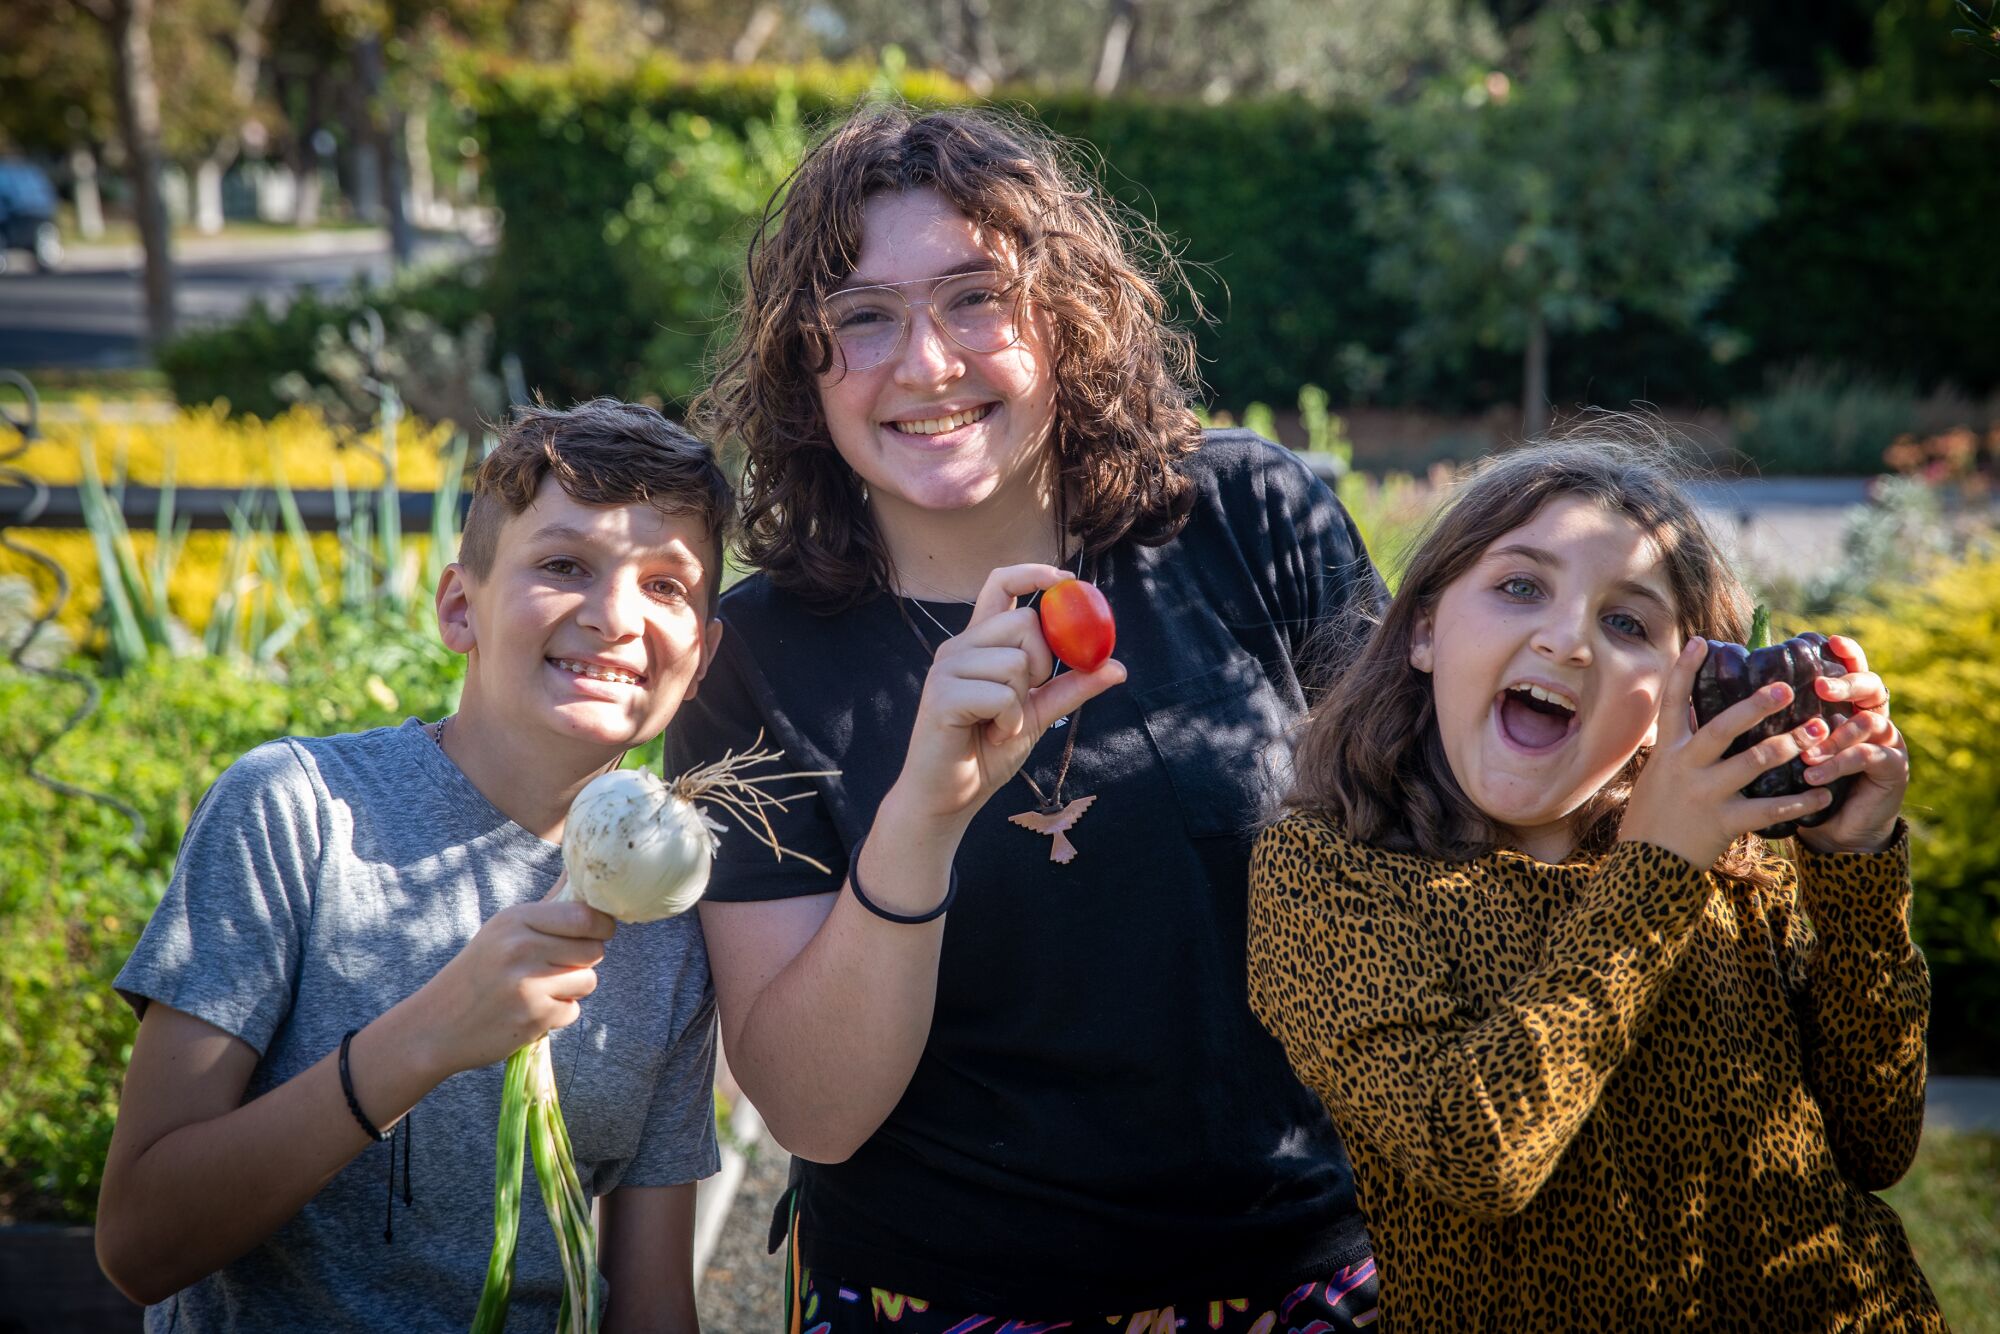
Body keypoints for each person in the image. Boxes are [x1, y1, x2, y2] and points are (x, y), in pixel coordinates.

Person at [670, 104, 1386, 1331]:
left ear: (1063, 318)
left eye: (972, 297)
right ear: (806, 364)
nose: (926, 362)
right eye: (862, 317)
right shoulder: (751, 663)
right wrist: (921, 816)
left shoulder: (1245, 520)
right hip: (942, 1295)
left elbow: (1435, 854)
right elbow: (812, 1109)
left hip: (1308, 1277)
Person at [1247, 437, 1943, 1331]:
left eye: (1629, 623)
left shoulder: (1735, 855)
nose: (1568, 641)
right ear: (1424, 630)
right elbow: (1481, 1152)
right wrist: (1658, 870)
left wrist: (1853, 865)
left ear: (1679, 693)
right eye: (1520, 587)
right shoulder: (1327, 873)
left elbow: (1877, 1139)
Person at [97, 399, 732, 1333]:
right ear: (458, 607)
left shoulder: (672, 908)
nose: (614, 616)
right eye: (564, 565)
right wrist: (428, 1037)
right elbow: (139, 1245)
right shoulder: (296, 811)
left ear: (704, 656)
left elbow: (649, 1299)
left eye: (668, 586)